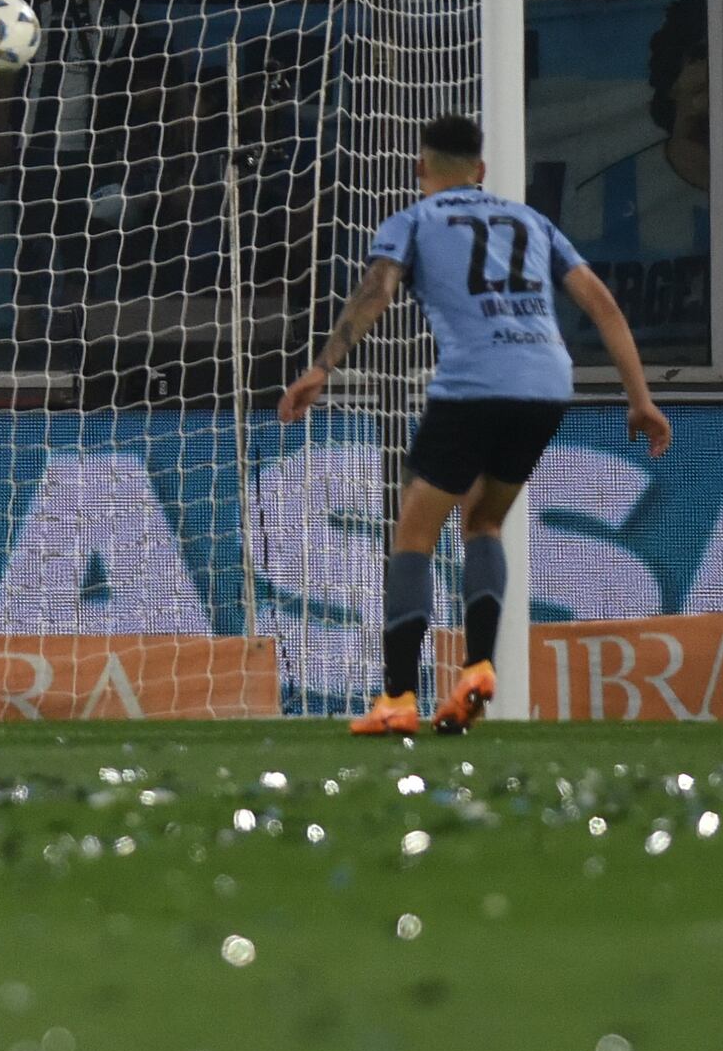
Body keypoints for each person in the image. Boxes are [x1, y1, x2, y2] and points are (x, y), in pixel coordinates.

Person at [274, 111, 674, 737]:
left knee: (413, 535)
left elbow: (377, 288)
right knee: (484, 520)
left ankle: (398, 697)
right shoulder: (532, 221)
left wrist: (323, 365)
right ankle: (479, 664)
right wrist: (640, 397)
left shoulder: (413, 220)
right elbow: (600, 301)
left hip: (473, 384)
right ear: (482, 171)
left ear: (420, 168)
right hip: (545, 384)